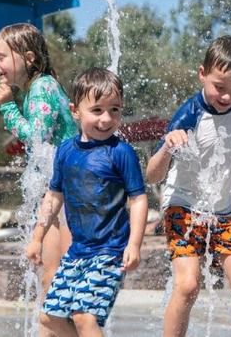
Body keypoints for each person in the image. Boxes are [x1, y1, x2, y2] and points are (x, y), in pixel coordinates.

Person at [146, 36, 231, 337]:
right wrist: (168, 146)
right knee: (188, 285)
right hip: (182, 207)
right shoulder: (189, 114)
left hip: (222, 213)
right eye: (220, 87)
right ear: (202, 74)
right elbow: (152, 176)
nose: (227, 96)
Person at [26, 67, 149, 337]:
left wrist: (134, 244)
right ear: (75, 111)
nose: (107, 119)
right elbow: (53, 196)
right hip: (77, 254)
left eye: (114, 110)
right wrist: (37, 238)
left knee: (84, 318)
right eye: (97, 110)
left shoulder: (121, 152)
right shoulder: (66, 151)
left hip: (109, 252)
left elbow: (138, 199)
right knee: (50, 319)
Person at [0, 23, 78, 324]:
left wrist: (7, 109)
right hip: (59, 193)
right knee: (50, 282)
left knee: (64, 286)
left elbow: (36, 136)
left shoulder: (41, 87)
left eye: (1, 57)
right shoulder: (39, 87)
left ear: (28, 58)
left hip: (71, 195)